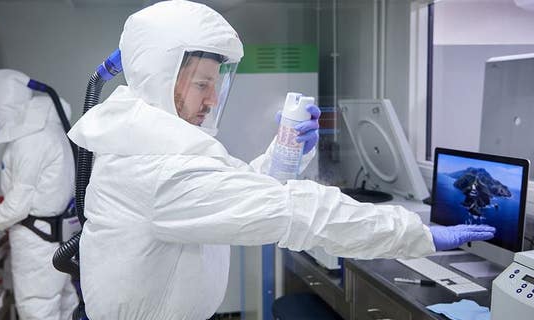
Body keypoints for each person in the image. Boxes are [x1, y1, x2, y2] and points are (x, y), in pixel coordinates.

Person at [67, 1, 495, 319]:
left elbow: (232, 190)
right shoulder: (156, 170)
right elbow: (296, 212)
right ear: (160, 80)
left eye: (216, 85)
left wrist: (284, 154)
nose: (213, 100)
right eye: (202, 85)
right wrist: (418, 232)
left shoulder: (151, 148)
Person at [0, 69, 78, 320]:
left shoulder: (29, 141)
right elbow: (44, 189)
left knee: (37, 309)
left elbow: (18, 207)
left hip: (37, 244)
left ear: (1, 103)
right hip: (57, 239)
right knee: (65, 304)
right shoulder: (51, 130)